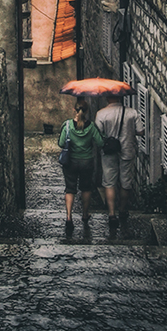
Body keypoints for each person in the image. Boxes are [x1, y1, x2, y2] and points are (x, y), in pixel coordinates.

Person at [95, 94, 144, 230]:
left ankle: (111, 214)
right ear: (121, 97)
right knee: (125, 182)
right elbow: (140, 132)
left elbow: (98, 133)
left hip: (109, 152)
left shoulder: (101, 114)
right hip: (127, 150)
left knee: (109, 183)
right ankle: (122, 210)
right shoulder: (132, 113)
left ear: (107, 98)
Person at [58, 98, 104, 235]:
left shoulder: (67, 125)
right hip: (86, 162)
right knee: (86, 188)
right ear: (87, 111)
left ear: (74, 110)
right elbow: (100, 142)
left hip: (70, 162)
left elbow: (61, 143)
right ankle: (85, 214)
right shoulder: (91, 127)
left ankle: (68, 217)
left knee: (70, 189)